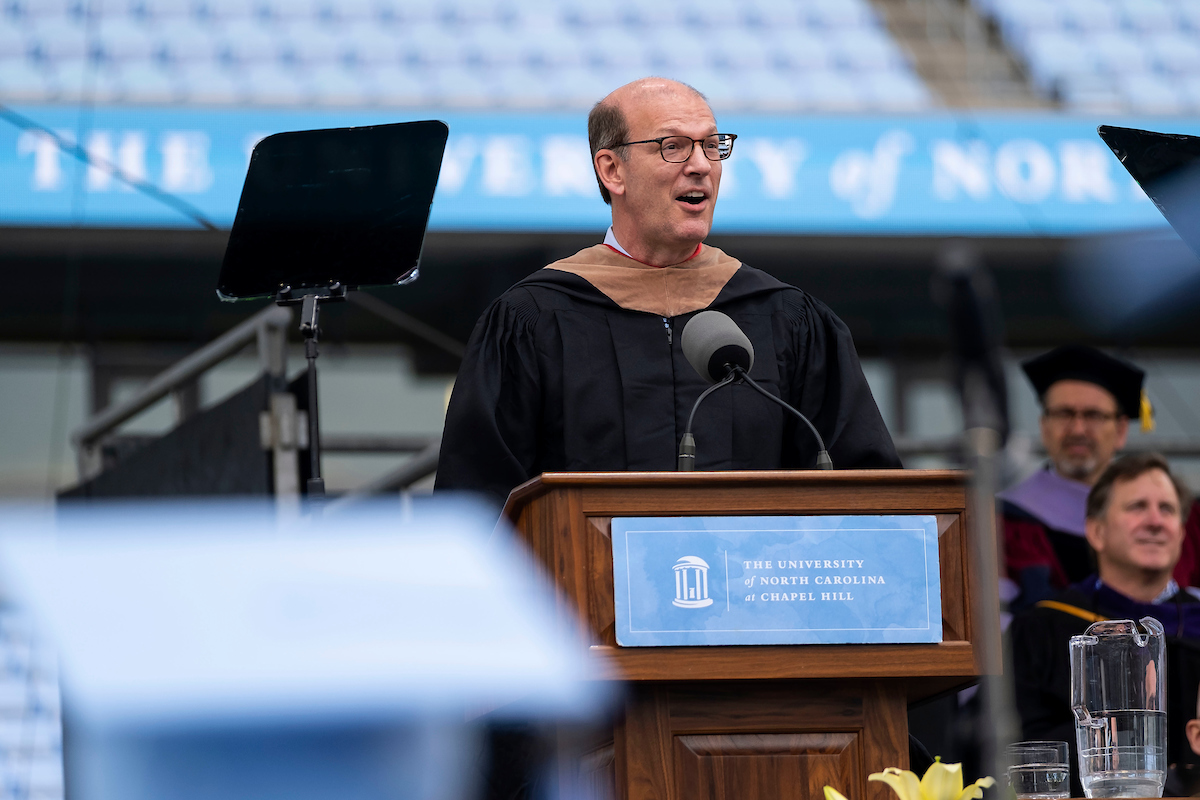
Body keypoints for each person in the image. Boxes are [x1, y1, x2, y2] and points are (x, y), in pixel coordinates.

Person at [435, 78, 899, 503]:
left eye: (712, 146)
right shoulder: (534, 318)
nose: (700, 165)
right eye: (673, 147)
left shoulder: (786, 318)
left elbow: (865, 490)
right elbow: (477, 505)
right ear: (612, 170)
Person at [1011, 453, 1200, 797]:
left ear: (1182, 533)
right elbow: (1016, 749)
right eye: (1137, 507)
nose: (1155, 521)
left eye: (1168, 510)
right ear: (1097, 531)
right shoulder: (1043, 627)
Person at [999, 345, 1200, 611]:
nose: (1078, 429)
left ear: (1121, 430)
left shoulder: (1183, 520)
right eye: (1064, 413)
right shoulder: (1005, 522)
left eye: (1093, 415)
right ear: (1043, 426)